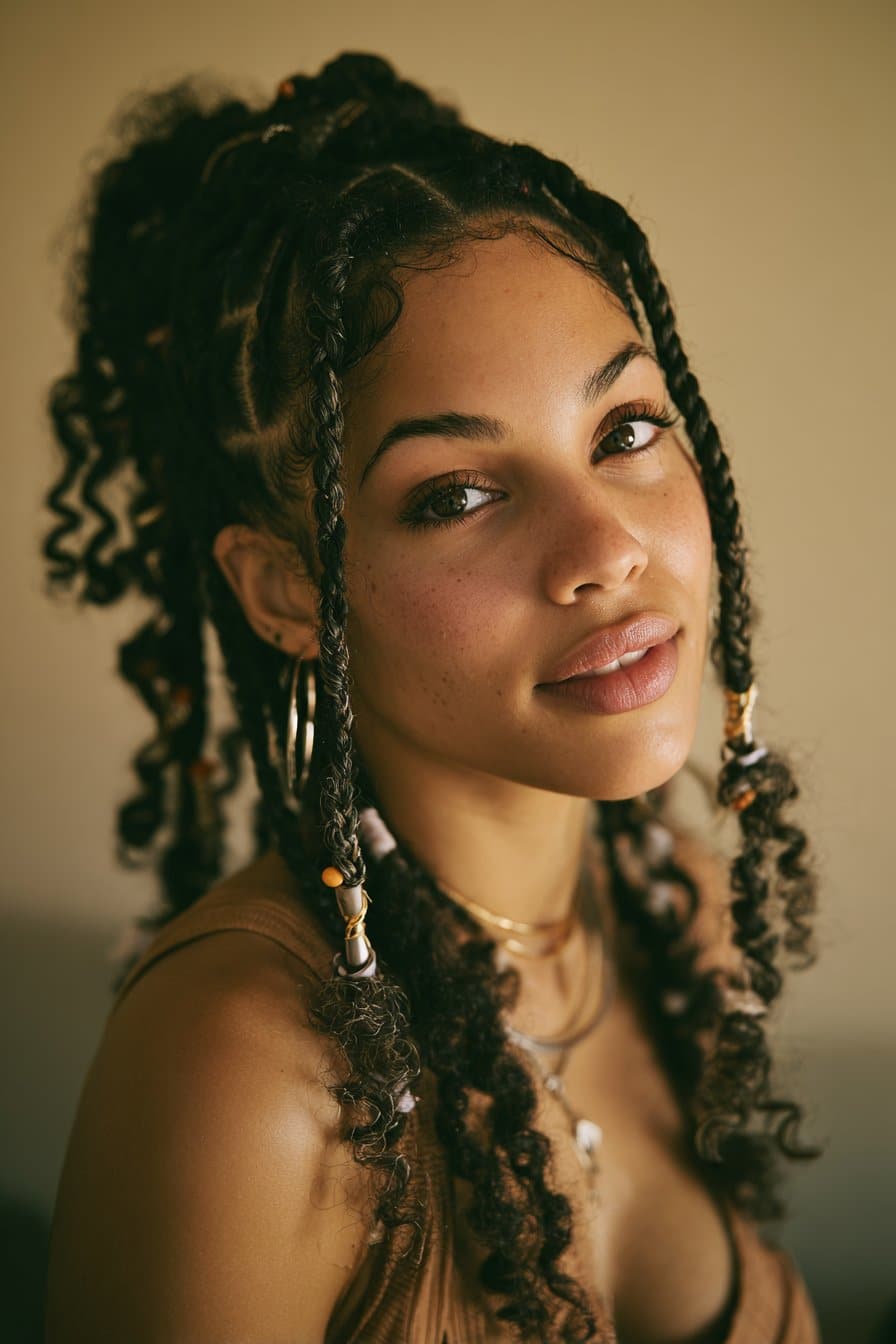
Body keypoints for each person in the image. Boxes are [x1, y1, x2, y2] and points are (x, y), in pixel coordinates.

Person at [41, 51, 824, 1344]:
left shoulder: (685, 929)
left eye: (623, 430)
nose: (605, 552)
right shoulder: (243, 1075)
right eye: (457, 494)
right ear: (288, 587)